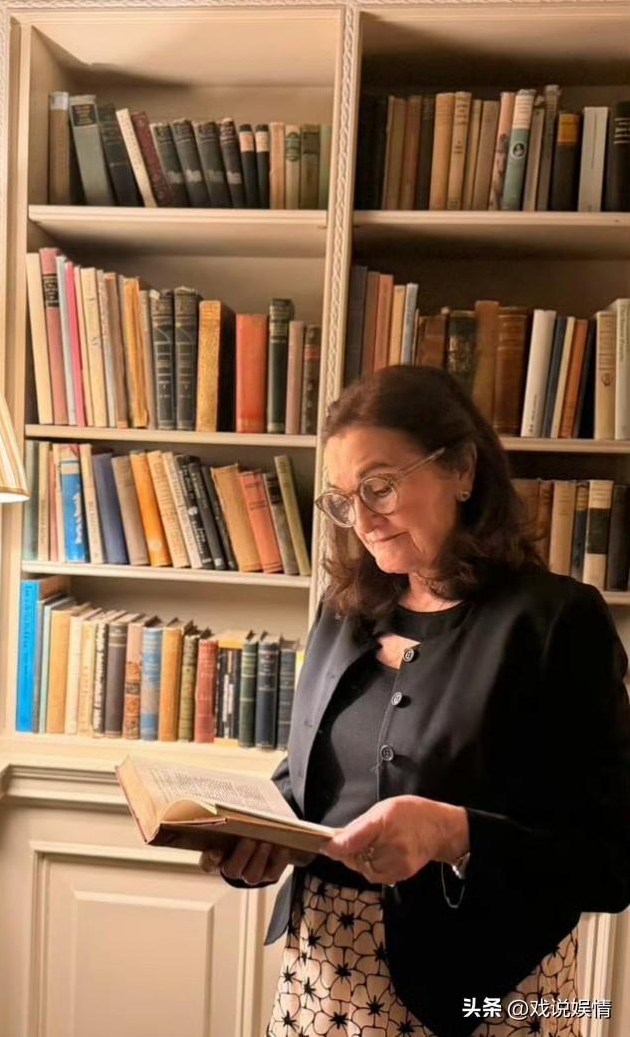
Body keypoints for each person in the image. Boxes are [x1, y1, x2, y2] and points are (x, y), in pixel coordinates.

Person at [200, 365, 630, 1037]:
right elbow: (310, 781)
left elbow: (610, 859)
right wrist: (259, 835)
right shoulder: (343, 610)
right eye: (344, 500)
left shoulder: (556, 624)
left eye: (381, 487)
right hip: (322, 981)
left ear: (462, 469)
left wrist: (449, 833)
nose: (363, 521)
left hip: (488, 994)